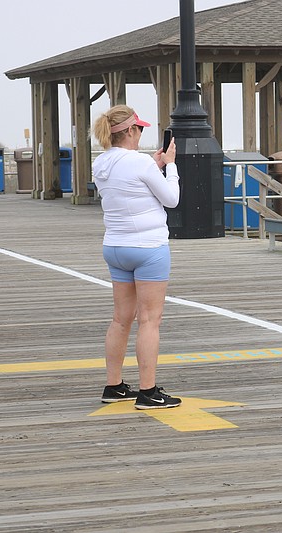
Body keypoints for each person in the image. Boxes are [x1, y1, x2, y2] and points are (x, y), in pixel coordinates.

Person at [91, 104, 183, 409]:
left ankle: (114, 385)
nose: (142, 132)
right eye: (140, 128)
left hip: (115, 247)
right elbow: (171, 199)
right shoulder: (141, 163)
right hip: (148, 248)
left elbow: (129, 189)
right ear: (130, 130)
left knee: (121, 320)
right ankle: (148, 391)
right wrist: (169, 165)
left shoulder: (101, 163)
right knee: (149, 320)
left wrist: (154, 166)